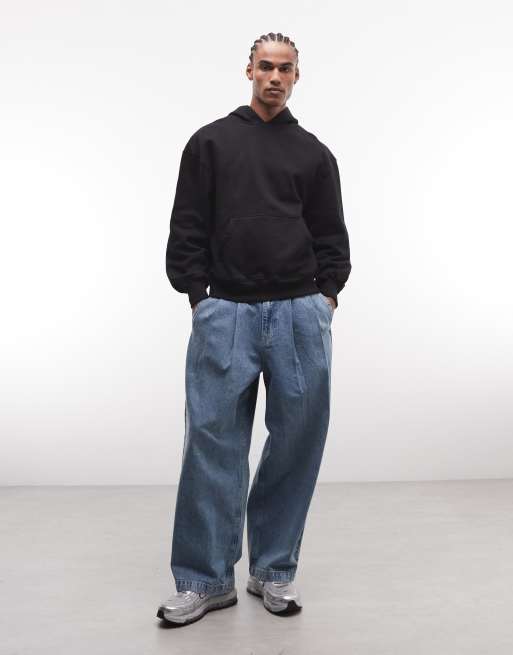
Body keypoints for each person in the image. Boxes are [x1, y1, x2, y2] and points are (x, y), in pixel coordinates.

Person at [157, 31, 351, 626]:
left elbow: (330, 234)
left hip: (298, 314)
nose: (274, 77)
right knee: (212, 446)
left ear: (297, 77)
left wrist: (326, 297)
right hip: (227, 312)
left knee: (296, 444)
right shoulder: (211, 142)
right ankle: (205, 580)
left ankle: (273, 571)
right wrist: (198, 297)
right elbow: (188, 224)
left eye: (285, 69)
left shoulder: (313, 153)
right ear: (249, 71)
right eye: (265, 66)